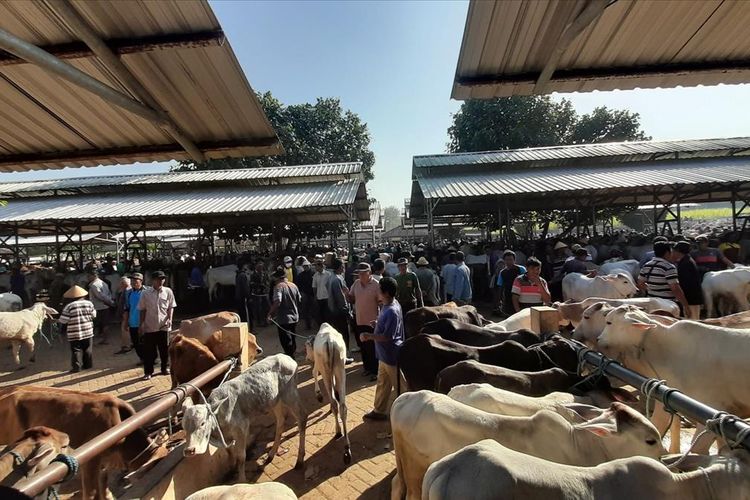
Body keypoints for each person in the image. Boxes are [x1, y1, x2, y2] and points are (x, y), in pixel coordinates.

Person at [361, 277, 404, 421]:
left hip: (391, 354)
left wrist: (369, 335)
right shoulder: (389, 304)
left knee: (400, 387)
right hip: (383, 354)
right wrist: (377, 324)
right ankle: (379, 410)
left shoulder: (391, 310)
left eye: (379, 289)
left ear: (385, 293)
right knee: (382, 383)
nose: (377, 291)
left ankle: (408, 412)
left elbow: (387, 336)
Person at [138, 270, 176, 380]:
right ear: (152, 280)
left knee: (165, 349)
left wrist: (170, 319)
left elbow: (171, 307)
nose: (160, 281)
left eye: (162, 279)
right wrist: (141, 324)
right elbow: (142, 309)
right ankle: (148, 372)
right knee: (149, 351)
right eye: (158, 279)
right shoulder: (145, 293)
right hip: (150, 326)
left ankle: (165, 368)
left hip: (164, 326)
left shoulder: (168, 291)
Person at [638, 241, 690, 315]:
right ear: (667, 253)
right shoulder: (669, 267)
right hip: (667, 305)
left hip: (652, 303)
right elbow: (675, 288)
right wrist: (686, 306)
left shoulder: (647, 265)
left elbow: (640, 283)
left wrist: (651, 289)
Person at [348, 262, 380, 379]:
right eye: (359, 274)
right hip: (359, 321)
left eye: (363, 273)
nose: (360, 276)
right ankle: (367, 368)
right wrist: (347, 295)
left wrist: (379, 320)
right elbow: (352, 299)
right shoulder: (356, 284)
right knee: (363, 347)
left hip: (372, 322)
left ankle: (375, 371)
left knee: (372, 348)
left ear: (369, 273)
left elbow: (381, 303)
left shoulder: (376, 285)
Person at [58, 285, 96, 373]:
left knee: (76, 350)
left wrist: (57, 321)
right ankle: (88, 365)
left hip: (74, 332)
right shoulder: (89, 304)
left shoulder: (69, 306)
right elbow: (94, 315)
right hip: (88, 330)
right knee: (87, 348)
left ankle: (76, 367)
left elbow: (64, 320)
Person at [267, 267, 302, 358]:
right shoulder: (294, 285)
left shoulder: (278, 287)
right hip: (294, 316)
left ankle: (290, 357)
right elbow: (299, 299)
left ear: (278, 278)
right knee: (292, 338)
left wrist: (270, 313)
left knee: (286, 340)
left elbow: (278, 300)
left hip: (284, 318)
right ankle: (292, 353)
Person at [327, 258, 354, 364]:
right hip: (340, 312)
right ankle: (344, 355)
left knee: (337, 334)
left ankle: (338, 355)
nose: (344, 268)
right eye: (343, 266)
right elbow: (341, 298)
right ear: (340, 267)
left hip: (333, 310)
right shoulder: (337, 279)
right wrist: (347, 312)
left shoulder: (331, 278)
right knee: (344, 334)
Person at [672, 241, 703, 319]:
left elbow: (686, 285)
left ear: (678, 251)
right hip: (692, 299)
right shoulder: (687, 261)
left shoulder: (685, 264)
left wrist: (685, 304)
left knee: (692, 323)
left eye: (674, 251)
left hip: (690, 300)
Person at [121, 272, 146, 363]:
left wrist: (143, 323)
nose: (133, 282)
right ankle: (142, 358)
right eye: (132, 280)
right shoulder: (128, 293)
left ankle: (150, 359)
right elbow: (127, 308)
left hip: (145, 322)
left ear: (141, 281)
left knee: (146, 343)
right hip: (133, 322)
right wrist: (126, 321)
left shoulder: (147, 291)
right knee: (136, 343)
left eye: (136, 280)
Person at [88, 270, 114, 345]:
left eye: (89, 276)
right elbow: (108, 294)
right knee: (105, 323)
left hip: (98, 307)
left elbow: (100, 296)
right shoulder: (104, 283)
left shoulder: (94, 285)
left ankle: (92, 340)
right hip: (105, 306)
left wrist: (109, 301)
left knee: (95, 324)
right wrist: (110, 301)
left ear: (94, 276)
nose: (88, 278)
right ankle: (105, 339)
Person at [498, 251, 526, 316]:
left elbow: (527, 282)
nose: (509, 262)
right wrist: (500, 300)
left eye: (510, 259)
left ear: (514, 260)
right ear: (504, 260)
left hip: (520, 297)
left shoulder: (521, 269)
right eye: (506, 260)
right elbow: (500, 287)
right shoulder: (502, 272)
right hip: (508, 297)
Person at [250, 260, 270, 327]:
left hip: (264, 293)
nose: (261, 268)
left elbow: (268, 281)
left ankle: (266, 320)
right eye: (259, 266)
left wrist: (266, 285)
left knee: (266, 307)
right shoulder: (253, 274)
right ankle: (258, 322)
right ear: (256, 267)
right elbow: (251, 283)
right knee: (258, 308)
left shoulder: (265, 273)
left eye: (262, 266)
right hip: (257, 294)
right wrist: (258, 285)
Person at [114, 276, 132, 354]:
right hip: (128, 314)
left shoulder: (127, 291)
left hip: (127, 314)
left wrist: (125, 314)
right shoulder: (126, 290)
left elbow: (126, 305)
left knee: (125, 330)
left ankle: (126, 346)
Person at [296, 258, 315, 331]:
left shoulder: (313, 273)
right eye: (304, 266)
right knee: (305, 310)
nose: (306, 267)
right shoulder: (301, 275)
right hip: (305, 294)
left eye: (307, 266)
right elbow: (298, 285)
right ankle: (308, 324)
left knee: (313, 309)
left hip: (312, 294)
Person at [312, 258, 331, 325]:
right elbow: (314, 287)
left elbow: (330, 285)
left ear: (320, 266)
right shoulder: (315, 275)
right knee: (321, 314)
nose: (315, 267)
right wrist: (315, 296)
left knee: (327, 314)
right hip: (319, 297)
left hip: (327, 297)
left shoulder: (328, 274)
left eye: (316, 266)